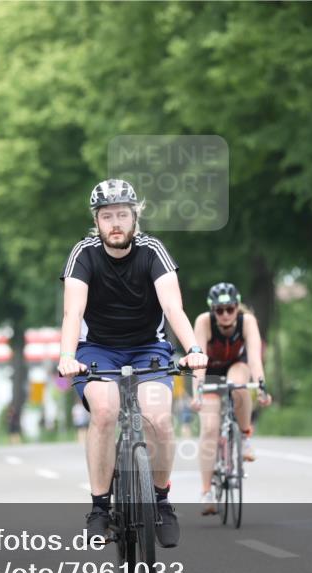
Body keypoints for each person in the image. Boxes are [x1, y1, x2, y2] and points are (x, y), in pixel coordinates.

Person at [57, 178, 208, 548]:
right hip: (96, 350)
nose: (115, 223)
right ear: (96, 220)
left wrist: (193, 348)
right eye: (107, 216)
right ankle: (99, 508)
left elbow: (173, 307)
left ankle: (161, 501)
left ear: (135, 217)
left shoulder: (153, 251)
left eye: (122, 215)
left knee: (159, 418)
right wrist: (66, 356)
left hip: (147, 348)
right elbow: (72, 312)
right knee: (105, 410)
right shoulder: (84, 254)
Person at [189, 282, 271, 515]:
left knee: (238, 386)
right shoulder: (204, 322)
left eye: (230, 309)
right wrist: (197, 393)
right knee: (209, 428)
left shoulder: (248, 321)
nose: (225, 314)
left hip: (237, 365)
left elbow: (254, 359)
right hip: (210, 371)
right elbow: (198, 361)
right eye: (219, 310)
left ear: (237, 307)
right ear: (212, 310)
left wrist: (262, 387)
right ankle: (207, 491)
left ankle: (244, 436)